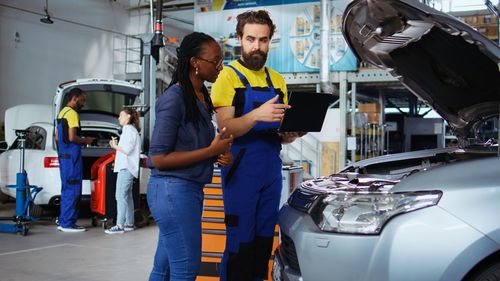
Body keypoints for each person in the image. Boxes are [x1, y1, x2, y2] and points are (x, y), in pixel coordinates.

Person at [210, 10, 302, 281]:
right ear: (239, 38)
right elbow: (226, 128)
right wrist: (256, 115)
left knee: (264, 240)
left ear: (270, 40)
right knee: (240, 243)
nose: (257, 46)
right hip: (241, 170)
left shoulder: (278, 81)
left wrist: (295, 132)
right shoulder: (227, 77)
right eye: (250, 39)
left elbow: (282, 134)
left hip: (271, 170)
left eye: (263, 40)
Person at [147, 32, 233, 281]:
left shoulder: (201, 97)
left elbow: (191, 146)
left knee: (163, 267)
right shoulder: (173, 99)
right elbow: (158, 158)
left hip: (187, 189)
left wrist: (216, 156)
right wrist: (209, 151)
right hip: (172, 190)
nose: (220, 67)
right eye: (215, 61)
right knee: (186, 268)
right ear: (195, 62)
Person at [56, 88, 95, 232]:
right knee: (73, 190)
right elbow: (72, 137)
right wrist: (87, 140)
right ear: (75, 98)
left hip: (63, 156)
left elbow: (57, 137)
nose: (83, 103)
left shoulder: (62, 113)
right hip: (72, 158)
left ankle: (63, 220)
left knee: (66, 189)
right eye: (82, 99)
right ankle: (68, 224)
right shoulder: (72, 114)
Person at [105, 107, 142, 234]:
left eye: (121, 115)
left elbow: (127, 149)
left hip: (126, 168)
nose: (119, 118)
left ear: (128, 117)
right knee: (127, 196)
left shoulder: (128, 130)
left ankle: (119, 225)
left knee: (120, 195)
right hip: (127, 167)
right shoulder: (130, 130)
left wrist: (115, 146)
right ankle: (129, 223)